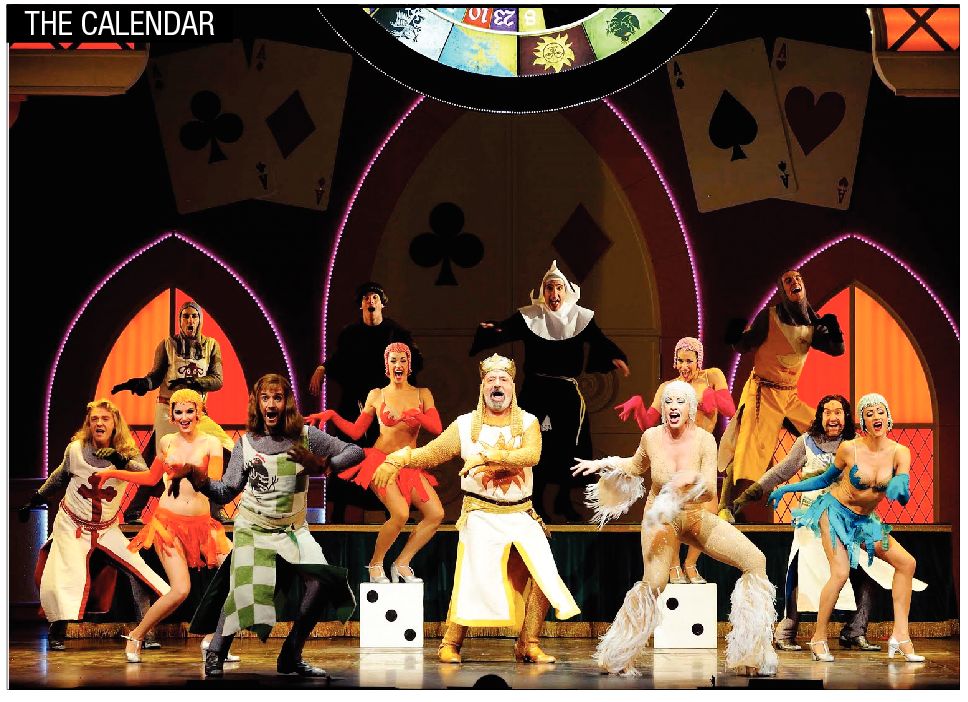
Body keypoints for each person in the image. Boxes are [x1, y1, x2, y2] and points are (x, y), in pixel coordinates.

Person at [373, 354, 580, 663]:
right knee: (474, 577)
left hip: (520, 513)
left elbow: (531, 455)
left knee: (544, 575)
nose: (497, 385)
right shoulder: (466, 425)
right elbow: (431, 453)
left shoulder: (528, 423)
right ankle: (450, 643)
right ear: (482, 387)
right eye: (491, 380)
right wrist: (398, 458)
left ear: (512, 386)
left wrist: (486, 457)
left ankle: (529, 643)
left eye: (503, 380)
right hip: (481, 514)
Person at [574, 381, 777, 677]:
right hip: (661, 518)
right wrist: (604, 464)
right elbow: (635, 466)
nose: (672, 406)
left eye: (680, 401)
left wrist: (690, 481)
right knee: (655, 582)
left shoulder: (705, 440)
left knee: (756, 560)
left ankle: (752, 652)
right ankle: (617, 653)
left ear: (691, 409)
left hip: (694, 515)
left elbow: (709, 491)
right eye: (668, 401)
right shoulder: (651, 437)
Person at [190, 373, 363, 678]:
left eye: (277, 398)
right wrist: (201, 481)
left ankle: (291, 656)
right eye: (265, 398)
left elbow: (355, 451)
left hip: (293, 530)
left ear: (287, 403)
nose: (271, 404)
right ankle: (216, 651)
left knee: (321, 582)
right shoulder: (246, 444)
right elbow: (227, 491)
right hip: (253, 528)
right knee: (245, 589)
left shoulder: (306, 436)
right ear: (257, 404)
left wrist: (325, 465)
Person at [731, 394, 927, 652]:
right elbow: (785, 472)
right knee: (804, 568)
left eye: (838, 412)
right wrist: (752, 494)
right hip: (816, 515)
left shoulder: (861, 445)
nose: (833, 417)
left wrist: (900, 486)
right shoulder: (810, 443)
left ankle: (857, 630)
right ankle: (790, 630)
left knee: (870, 569)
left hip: (858, 520)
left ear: (847, 417)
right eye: (827, 412)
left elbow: (895, 479)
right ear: (820, 416)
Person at [470, 260, 629, 522]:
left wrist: (615, 356)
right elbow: (504, 329)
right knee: (537, 444)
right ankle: (536, 501)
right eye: (549, 288)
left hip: (566, 393)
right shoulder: (530, 317)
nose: (554, 294)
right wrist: (490, 330)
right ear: (543, 291)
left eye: (558, 288)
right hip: (537, 391)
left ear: (566, 291)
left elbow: (598, 340)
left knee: (570, 445)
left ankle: (563, 499)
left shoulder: (580, 318)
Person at [95, 388, 239, 664]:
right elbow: (151, 479)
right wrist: (113, 472)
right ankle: (136, 635)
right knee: (181, 590)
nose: (184, 417)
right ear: (171, 416)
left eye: (189, 411)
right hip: (168, 524)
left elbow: (213, 484)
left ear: (199, 413)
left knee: (240, 575)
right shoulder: (167, 442)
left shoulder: (211, 443)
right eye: (178, 412)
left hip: (203, 526)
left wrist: (187, 468)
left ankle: (214, 639)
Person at [18, 399, 170, 650]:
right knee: (63, 576)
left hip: (107, 528)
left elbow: (146, 477)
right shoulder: (76, 450)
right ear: (88, 424)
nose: (99, 423)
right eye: (94, 419)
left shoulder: (127, 453)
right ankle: (57, 632)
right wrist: (35, 499)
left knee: (138, 573)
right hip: (72, 526)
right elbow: (59, 476)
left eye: (105, 419)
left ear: (115, 424)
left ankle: (145, 633)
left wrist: (119, 459)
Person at [306, 342, 443, 584]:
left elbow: (437, 428)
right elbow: (357, 432)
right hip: (380, 461)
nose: (398, 364)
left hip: (408, 464)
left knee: (436, 514)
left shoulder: (423, 394)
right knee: (400, 514)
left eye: (403, 360)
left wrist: (417, 415)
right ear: (387, 366)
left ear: (409, 365)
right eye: (393, 360)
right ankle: (376, 563)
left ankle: (402, 563)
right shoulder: (377, 395)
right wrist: (333, 415)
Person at [718, 269, 845, 522]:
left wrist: (835, 331)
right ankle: (726, 507)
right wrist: (736, 336)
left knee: (825, 430)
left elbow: (836, 350)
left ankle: (836, 498)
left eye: (798, 278)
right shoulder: (770, 317)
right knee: (748, 452)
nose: (794, 282)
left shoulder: (811, 322)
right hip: (763, 393)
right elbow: (745, 345)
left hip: (789, 396)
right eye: (788, 280)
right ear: (783, 290)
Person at [615, 336, 734, 585]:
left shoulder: (712, 376)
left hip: (701, 455)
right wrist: (638, 405)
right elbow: (649, 423)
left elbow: (730, 410)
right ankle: (673, 567)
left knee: (708, 513)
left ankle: (690, 564)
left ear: (699, 360)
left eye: (689, 361)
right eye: (680, 361)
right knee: (674, 515)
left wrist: (710, 396)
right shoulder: (668, 388)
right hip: (675, 456)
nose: (684, 366)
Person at [111, 300, 234, 523]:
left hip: (196, 411)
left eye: (194, 316)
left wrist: (194, 382)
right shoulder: (167, 345)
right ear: (180, 320)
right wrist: (143, 383)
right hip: (169, 409)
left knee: (226, 448)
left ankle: (216, 507)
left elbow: (218, 380)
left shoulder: (211, 345)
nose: (190, 320)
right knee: (163, 458)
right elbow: (156, 376)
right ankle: (133, 511)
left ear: (200, 320)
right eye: (185, 316)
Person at [309, 281, 424, 521]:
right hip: (356, 404)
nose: (370, 301)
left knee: (387, 455)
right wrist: (322, 367)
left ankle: (393, 510)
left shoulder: (396, 332)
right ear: (361, 305)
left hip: (386, 406)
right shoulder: (350, 333)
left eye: (375, 297)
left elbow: (414, 360)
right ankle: (338, 512)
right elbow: (339, 359)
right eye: (366, 298)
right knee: (348, 453)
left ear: (382, 304)